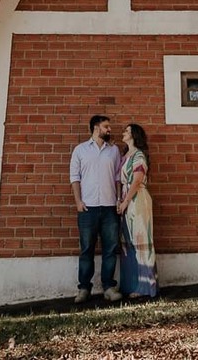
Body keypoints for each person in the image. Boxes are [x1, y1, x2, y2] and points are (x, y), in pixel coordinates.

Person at [69, 114, 123, 303]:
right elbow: (74, 177)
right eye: (106, 126)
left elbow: (118, 177)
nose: (109, 130)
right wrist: (78, 201)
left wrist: (118, 198)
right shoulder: (80, 150)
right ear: (96, 128)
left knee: (110, 249)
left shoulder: (114, 150)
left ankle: (109, 287)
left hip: (109, 208)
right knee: (86, 250)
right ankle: (84, 289)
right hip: (87, 208)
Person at [116, 123, 157, 299]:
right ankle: (131, 284)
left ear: (134, 135)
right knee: (128, 242)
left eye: (126, 131)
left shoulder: (139, 155)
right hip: (126, 200)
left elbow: (137, 180)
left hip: (137, 200)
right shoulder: (125, 155)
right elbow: (120, 180)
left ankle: (145, 287)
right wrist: (120, 200)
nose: (123, 133)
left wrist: (125, 201)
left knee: (141, 240)